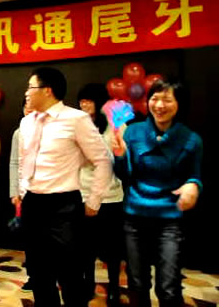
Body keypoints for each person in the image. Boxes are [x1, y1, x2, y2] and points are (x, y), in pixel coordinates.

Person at [15, 67, 113, 307]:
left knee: (70, 276)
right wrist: (22, 190)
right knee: (39, 274)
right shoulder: (26, 122)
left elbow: (102, 160)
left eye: (30, 87)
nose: (26, 93)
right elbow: (23, 160)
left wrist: (94, 200)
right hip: (33, 204)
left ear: (47, 90)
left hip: (64, 206)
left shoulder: (76, 119)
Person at [113, 80, 202, 307]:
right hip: (135, 216)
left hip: (170, 219)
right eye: (155, 99)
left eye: (167, 100)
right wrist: (120, 156)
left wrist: (193, 185)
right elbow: (124, 174)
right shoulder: (133, 132)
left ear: (179, 104)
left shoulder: (191, 139)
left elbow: (195, 176)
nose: (160, 105)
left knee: (169, 287)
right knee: (137, 283)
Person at [77, 83, 124, 306]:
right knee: (85, 247)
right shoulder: (77, 125)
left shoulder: (114, 126)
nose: (84, 104)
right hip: (83, 193)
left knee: (113, 248)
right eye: (81, 101)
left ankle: (114, 287)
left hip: (110, 195)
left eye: (88, 100)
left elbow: (117, 158)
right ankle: (88, 284)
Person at [9, 99, 34, 292]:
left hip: (46, 191)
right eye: (26, 107)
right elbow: (14, 163)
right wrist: (14, 191)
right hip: (25, 193)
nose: (28, 110)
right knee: (30, 237)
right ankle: (33, 276)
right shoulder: (19, 133)